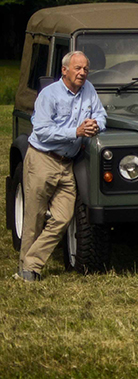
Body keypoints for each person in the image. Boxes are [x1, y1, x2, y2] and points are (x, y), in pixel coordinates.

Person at [18, 50, 107, 281]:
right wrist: (75, 131)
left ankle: (31, 261)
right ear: (64, 70)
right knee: (34, 217)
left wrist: (95, 124)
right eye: (77, 68)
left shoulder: (89, 90)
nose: (82, 73)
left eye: (86, 68)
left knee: (63, 217)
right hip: (42, 159)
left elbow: (101, 114)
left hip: (67, 164)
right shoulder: (49, 94)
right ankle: (28, 269)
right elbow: (42, 131)